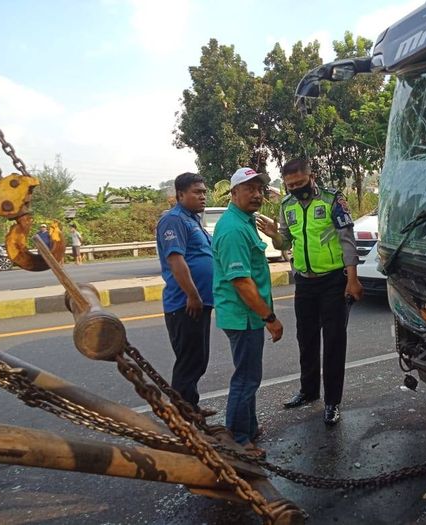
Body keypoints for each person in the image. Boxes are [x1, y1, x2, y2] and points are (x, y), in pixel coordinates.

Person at [257, 158, 363, 426]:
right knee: (306, 338)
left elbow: (347, 240)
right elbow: (286, 241)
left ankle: (332, 403)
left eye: (300, 183)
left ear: (311, 177)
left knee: (334, 342)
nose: (295, 188)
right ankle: (308, 390)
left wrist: (353, 279)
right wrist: (273, 235)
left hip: (333, 281)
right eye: (290, 185)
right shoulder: (287, 205)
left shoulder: (332, 200)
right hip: (304, 281)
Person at [213, 167, 283, 457]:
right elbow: (242, 282)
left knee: (249, 374)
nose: (256, 195)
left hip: (247, 315)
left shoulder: (245, 221)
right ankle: (240, 440)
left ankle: (249, 427)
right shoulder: (232, 229)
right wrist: (270, 318)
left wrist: (276, 235)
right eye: (249, 189)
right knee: (246, 378)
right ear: (234, 193)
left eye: (259, 189)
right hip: (244, 316)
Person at [156, 172, 213, 413]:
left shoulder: (192, 219)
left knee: (197, 360)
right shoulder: (174, 220)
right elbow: (176, 260)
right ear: (180, 195)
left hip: (199, 302)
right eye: (197, 192)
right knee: (189, 361)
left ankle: (191, 408)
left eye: (204, 192)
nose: (203, 196)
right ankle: (183, 417)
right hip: (185, 304)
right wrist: (192, 294)